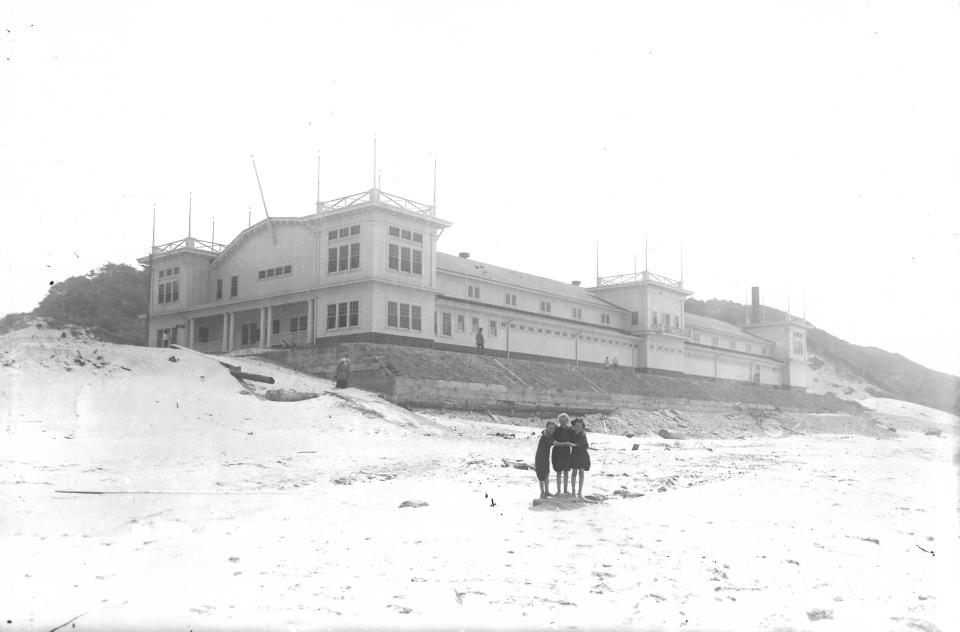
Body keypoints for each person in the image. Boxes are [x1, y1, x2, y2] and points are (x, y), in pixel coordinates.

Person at [551, 413, 576, 495]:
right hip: (557, 452)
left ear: (567, 421)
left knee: (566, 472)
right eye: (561, 420)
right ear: (559, 421)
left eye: (565, 420)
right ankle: (558, 490)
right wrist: (565, 443)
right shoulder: (556, 429)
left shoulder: (570, 430)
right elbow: (553, 442)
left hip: (566, 452)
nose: (563, 422)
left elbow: (575, 437)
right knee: (558, 472)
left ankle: (565, 490)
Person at [534, 420, 558, 498]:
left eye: (553, 428)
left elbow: (558, 429)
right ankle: (542, 493)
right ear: (546, 427)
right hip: (540, 458)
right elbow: (555, 443)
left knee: (547, 474)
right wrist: (567, 443)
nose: (552, 429)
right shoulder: (546, 435)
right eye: (550, 428)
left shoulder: (549, 434)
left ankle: (547, 491)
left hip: (546, 457)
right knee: (541, 476)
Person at [569, 418, 591, 499]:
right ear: (574, 426)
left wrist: (575, 444)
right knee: (574, 472)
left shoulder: (583, 435)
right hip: (574, 454)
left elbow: (585, 445)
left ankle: (580, 491)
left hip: (583, 455)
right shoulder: (571, 433)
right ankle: (573, 491)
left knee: (581, 472)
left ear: (582, 427)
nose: (578, 427)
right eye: (576, 426)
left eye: (580, 426)